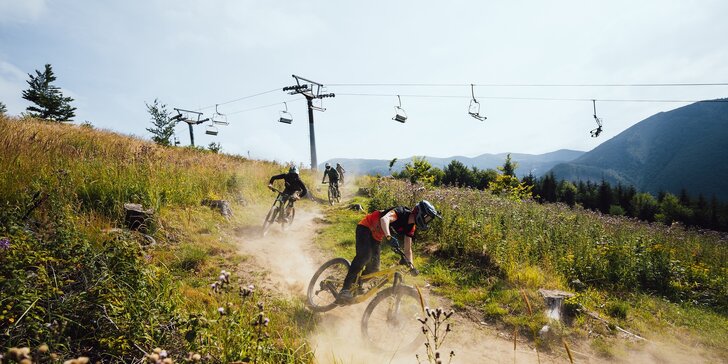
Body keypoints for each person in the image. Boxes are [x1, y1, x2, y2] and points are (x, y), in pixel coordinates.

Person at [337, 200, 442, 303]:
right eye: (427, 218)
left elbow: (407, 250)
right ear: (420, 213)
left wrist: (411, 266)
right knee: (364, 256)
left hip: (376, 236)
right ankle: (345, 289)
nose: (428, 221)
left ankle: (357, 283)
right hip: (366, 227)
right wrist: (388, 236)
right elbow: (384, 219)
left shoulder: (411, 227)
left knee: (374, 269)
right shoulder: (401, 212)